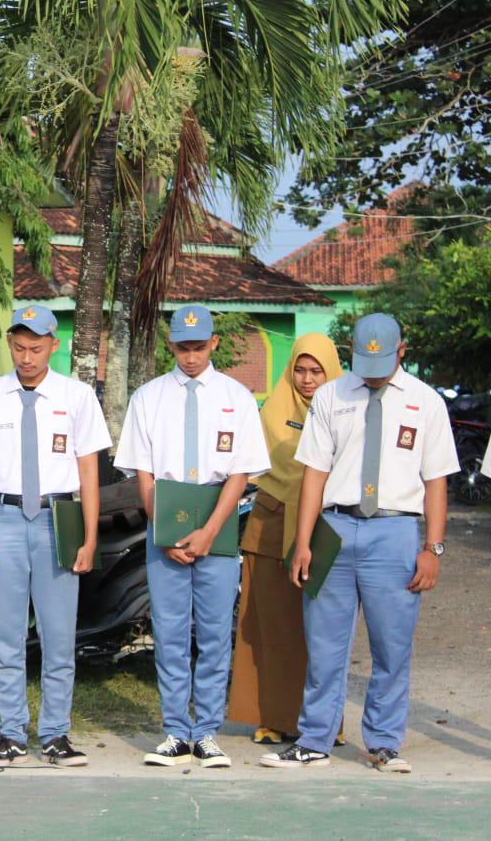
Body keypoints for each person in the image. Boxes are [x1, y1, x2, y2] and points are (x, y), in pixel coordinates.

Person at [262, 314, 458, 772]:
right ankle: (315, 740)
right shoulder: (332, 395)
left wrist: (433, 548)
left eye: (382, 360)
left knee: (392, 646)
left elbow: (436, 482)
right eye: (363, 359)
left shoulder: (426, 403)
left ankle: (385, 743)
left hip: (394, 533)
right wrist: (304, 541)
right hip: (335, 527)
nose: (371, 370)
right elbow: (315, 472)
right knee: (325, 645)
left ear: (401, 351)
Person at [0, 305, 110, 767]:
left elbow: (89, 473)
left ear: (53, 346)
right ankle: (11, 734)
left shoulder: (77, 397)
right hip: (3, 522)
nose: (26, 357)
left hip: (57, 520)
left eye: (36, 348)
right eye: (19, 348)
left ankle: (57, 735)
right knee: (6, 635)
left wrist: (89, 538)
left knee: (59, 635)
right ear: (10, 344)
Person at [114, 305, 270, 769]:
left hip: (217, 523)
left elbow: (241, 474)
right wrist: (162, 529)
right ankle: (175, 731)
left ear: (214, 344)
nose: (190, 356)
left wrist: (209, 531)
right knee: (170, 632)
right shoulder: (148, 397)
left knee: (217, 632)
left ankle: (206, 732)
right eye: (182, 347)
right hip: (165, 523)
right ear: (170, 346)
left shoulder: (237, 397)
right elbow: (143, 472)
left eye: (199, 347)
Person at [229, 334, 342, 744]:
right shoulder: (271, 411)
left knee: (323, 631)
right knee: (272, 626)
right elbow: (251, 464)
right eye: (300, 369)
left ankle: (326, 723)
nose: (307, 380)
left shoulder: (346, 410)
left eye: (317, 371)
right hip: (272, 520)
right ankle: (274, 718)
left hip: (326, 526)